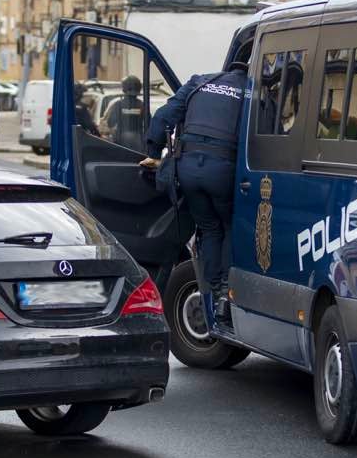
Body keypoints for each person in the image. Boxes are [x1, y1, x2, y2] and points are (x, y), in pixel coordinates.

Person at [140, 64, 247, 327]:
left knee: (209, 228)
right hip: (222, 171)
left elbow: (164, 115)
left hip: (187, 169)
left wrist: (154, 153)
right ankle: (227, 295)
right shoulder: (250, 91)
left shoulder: (199, 82)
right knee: (229, 226)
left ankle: (211, 293)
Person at [101, 75, 145, 152]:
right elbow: (149, 123)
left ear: (124, 88)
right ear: (139, 88)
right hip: (139, 142)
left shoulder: (118, 105)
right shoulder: (142, 105)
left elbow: (110, 123)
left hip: (121, 142)